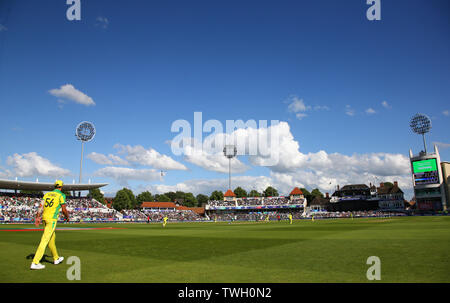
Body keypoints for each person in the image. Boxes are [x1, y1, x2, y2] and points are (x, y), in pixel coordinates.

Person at [31, 180, 70, 270]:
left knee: (51, 239)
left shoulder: (47, 194)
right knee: (45, 240)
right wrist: (67, 217)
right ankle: (35, 262)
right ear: (61, 186)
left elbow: (41, 206)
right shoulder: (61, 195)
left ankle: (56, 258)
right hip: (51, 220)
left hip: (44, 218)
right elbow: (64, 209)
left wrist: (37, 217)